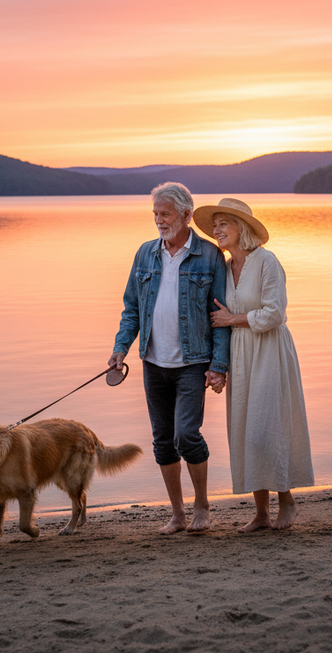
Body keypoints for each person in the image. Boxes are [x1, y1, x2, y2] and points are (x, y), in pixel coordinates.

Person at [110, 183, 230, 534]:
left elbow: (220, 316)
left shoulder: (209, 256)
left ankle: (202, 505)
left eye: (165, 214)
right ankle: (177, 514)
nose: (159, 221)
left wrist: (218, 366)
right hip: (153, 361)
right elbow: (131, 308)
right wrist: (121, 348)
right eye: (155, 214)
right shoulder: (145, 254)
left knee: (186, 435)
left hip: (193, 362)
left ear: (186, 215)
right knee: (163, 439)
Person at [194, 197, 314, 531]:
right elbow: (217, 317)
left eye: (223, 224)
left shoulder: (267, 261)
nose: (216, 230)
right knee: (246, 431)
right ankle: (261, 512)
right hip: (241, 353)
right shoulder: (226, 266)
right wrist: (218, 366)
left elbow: (276, 312)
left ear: (241, 228)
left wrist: (235, 318)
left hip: (269, 349)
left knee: (266, 429)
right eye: (215, 224)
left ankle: (287, 501)